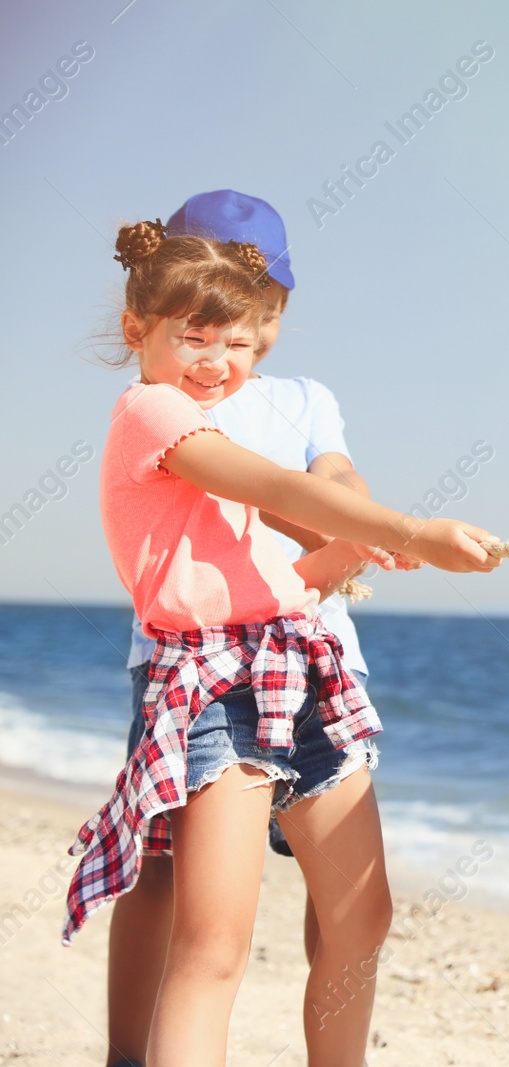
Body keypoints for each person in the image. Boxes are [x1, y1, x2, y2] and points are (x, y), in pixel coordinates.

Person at [66, 219, 499, 1067]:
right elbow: (268, 482)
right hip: (214, 688)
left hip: (301, 668)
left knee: (362, 915)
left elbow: (288, 557)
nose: (216, 359)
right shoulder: (154, 414)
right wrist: (407, 526)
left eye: (235, 341)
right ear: (135, 331)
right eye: (192, 336)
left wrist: (374, 546)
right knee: (215, 943)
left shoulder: (215, 421)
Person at [104, 189, 367, 1067]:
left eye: (257, 307)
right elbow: (271, 492)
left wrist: (359, 527)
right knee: (170, 879)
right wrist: (361, 530)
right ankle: (127, 1053)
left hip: (312, 658)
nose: (228, 335)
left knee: (344, 901)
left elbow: (332, 476)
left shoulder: (296, 394)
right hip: (198, 664)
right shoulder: (167, 395)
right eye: (204, 309)